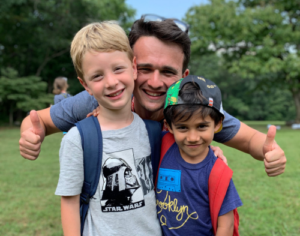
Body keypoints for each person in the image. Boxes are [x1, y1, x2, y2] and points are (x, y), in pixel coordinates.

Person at [19, 15, 286, 177]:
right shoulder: (99, 100)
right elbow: (37, 121)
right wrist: (31, 137)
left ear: (184, 76)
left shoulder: (194, 109)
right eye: (145, 68)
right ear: (131, 65)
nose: (155, 82)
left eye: (168, 72)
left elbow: (253, 139)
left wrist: (269, 152)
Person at [55, 21, 161, 236]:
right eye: (97, 76)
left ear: (133, 68)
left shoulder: (155, 132)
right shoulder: (78, 139)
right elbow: (69, 201)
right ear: (85, 85)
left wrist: (211, 152)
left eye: (118, 69)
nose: (111, 82)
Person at [156, 75, 242, 235]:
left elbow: (226, 225)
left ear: (217, 124)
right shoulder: (162, 146)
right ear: (168, 126)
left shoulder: (218, 172)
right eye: (182, 127)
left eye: (202, 126)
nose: (193, 137)